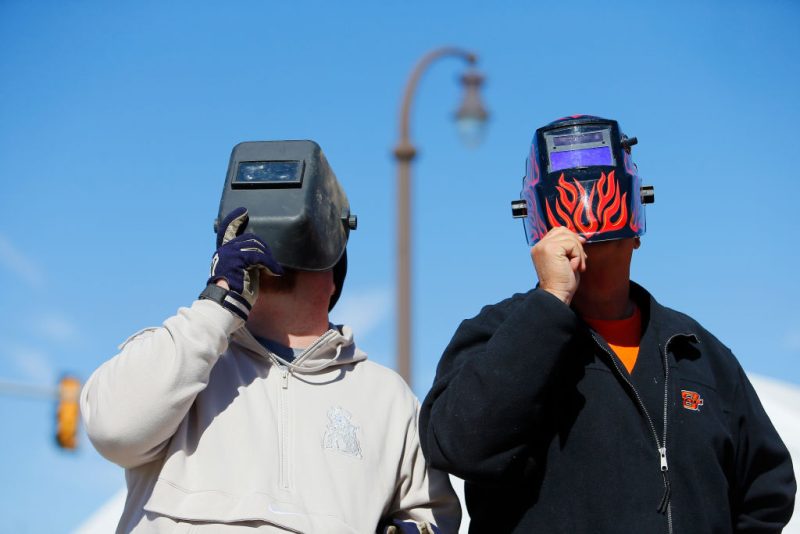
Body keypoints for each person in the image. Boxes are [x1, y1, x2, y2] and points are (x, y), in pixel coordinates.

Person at [419, 116, 796, 533]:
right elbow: (458, 446)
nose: (590, 246)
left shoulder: (696, 352)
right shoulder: (497, 334)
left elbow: (768, 489)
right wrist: (550, 303)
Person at [81, 140, 461, 533]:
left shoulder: (388, 399)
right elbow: (113, 431)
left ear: (335, 274)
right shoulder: (183, 358)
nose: (273, 252)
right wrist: (218, 303)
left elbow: (436, 518)